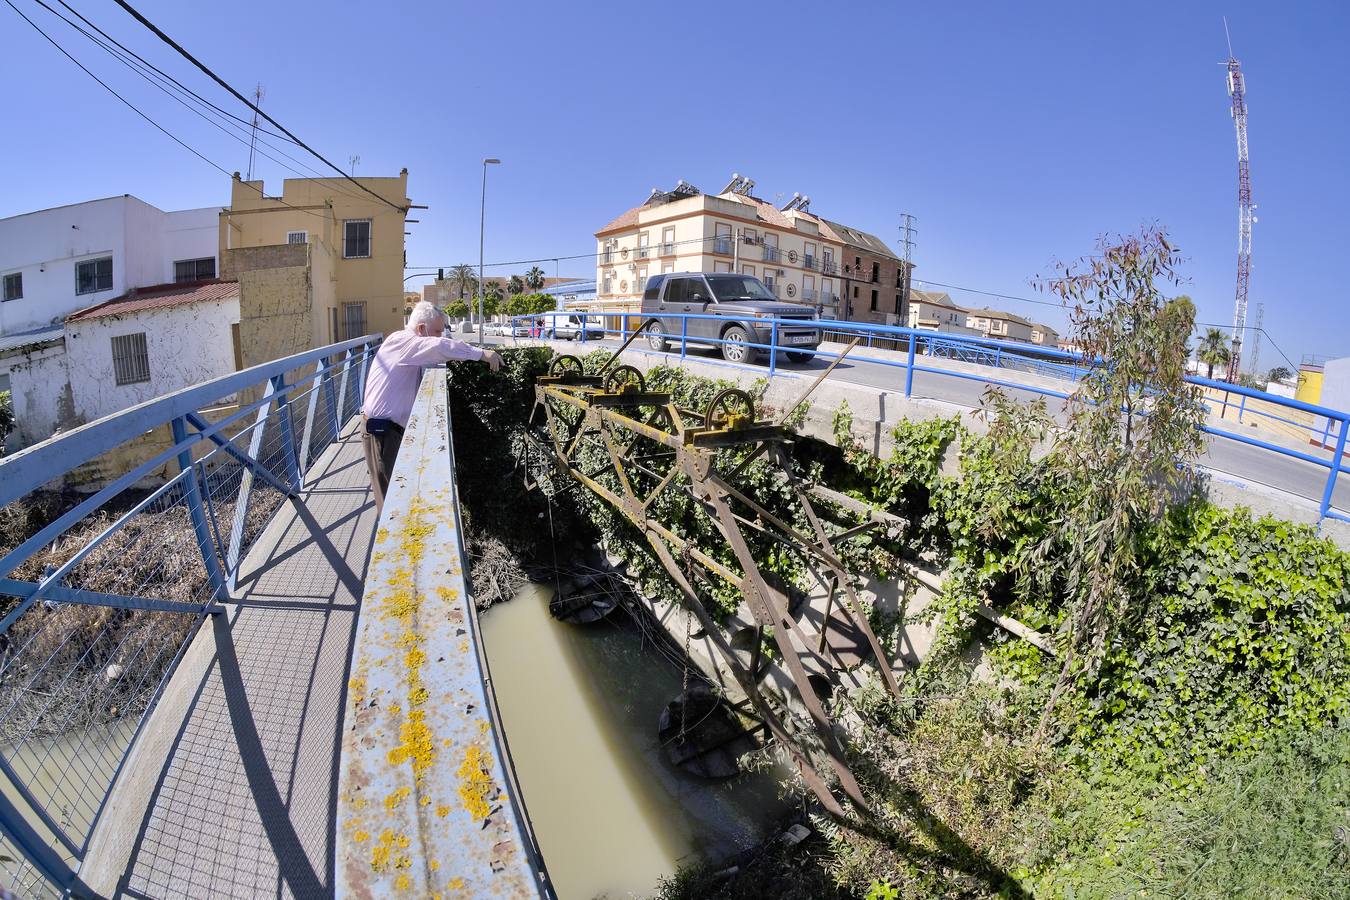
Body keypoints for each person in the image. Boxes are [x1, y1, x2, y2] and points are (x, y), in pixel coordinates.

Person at [361, 301, 502, 510]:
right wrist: (482, 354)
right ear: (421, 329)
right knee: (391, 505)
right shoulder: (404, 342)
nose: (440, 336)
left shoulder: (401, 343)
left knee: (397, 497)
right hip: (381, 434)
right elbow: (439, 347)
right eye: (437, 331)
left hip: (388, 432)